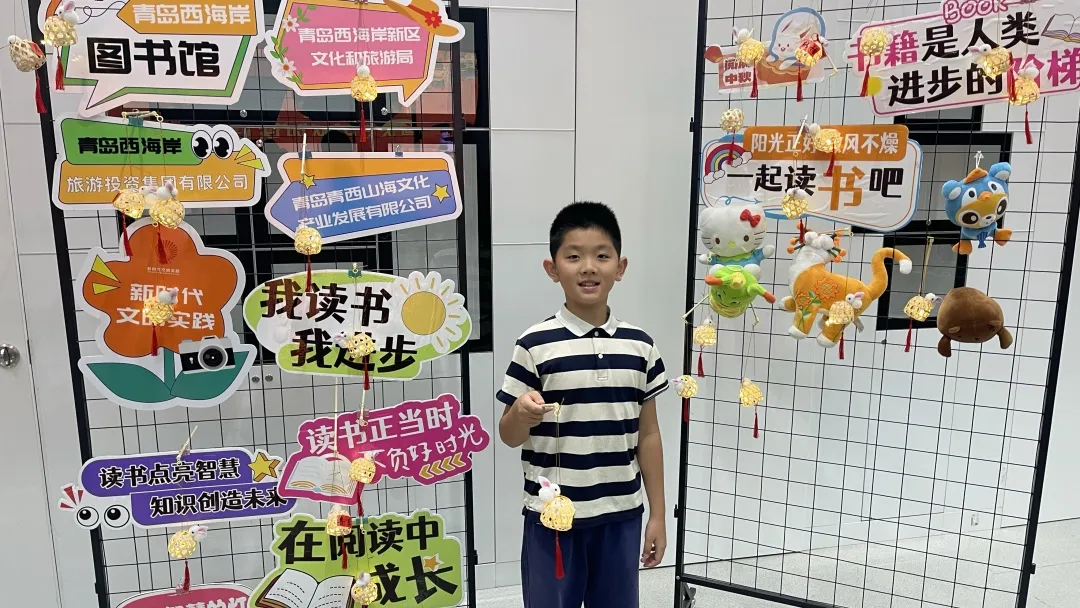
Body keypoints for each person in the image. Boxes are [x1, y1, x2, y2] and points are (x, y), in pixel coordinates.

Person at [497, 201, 668, 607]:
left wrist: (658, 514)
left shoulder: (641, 346)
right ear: (552, 268)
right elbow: (508, 434)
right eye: (573, 257)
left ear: (620, 267)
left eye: (602, 256)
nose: (588, 267)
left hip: (621, 514)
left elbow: (649, 434)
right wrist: (520, 413)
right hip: (553, 516)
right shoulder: (534, 344)